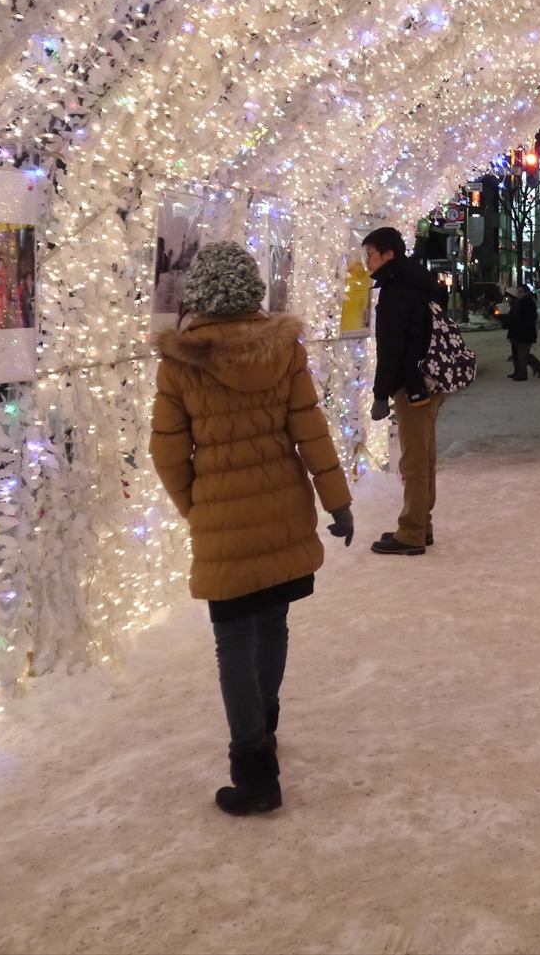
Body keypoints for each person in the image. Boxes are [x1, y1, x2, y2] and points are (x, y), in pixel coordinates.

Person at [150, 241, 355, 816]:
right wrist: (337, 501)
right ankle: (264, 723)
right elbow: (310, 430)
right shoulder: (285, 351)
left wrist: (202, 509)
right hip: (285, 508)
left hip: (222, 515)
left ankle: (255, 771)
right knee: (274, 623)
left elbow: (167, 454)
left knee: (233, 639)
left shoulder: (180, 363)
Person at [363, 225, 446, 556]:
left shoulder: (396, 289)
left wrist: (380, 394)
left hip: (411, 385)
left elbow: (391, 348)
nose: (367, 261)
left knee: (413, 461)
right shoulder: (421, 282)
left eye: (370, 254)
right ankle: (421, 525)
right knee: (424, 457)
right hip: (430, 380)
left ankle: (411, 532)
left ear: (388, 254)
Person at [506, 285, 540, 380]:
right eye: (518, 291)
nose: (519, 293)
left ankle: (523, 374)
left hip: (525, 333)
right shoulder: (518, 303)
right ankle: (537, 367)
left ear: (526, 292)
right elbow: (513, 317)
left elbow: (527, 319)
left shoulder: (528, 303)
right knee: (518, 353)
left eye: (520, 291)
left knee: (522, 355)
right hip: (516, 332)